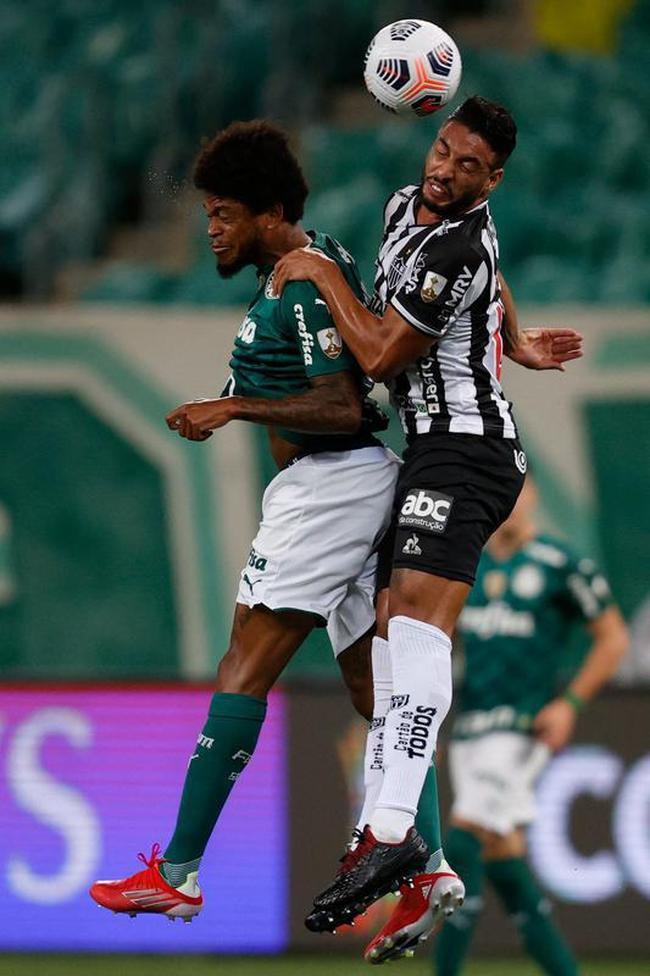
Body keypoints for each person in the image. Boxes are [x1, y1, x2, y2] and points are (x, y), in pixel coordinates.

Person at [272, 95, 584, 959]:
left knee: (414, 625)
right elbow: (493, 277)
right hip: (434, 452)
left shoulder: (458, 241)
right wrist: (511, 337)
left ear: (495, 181)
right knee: (389, 634)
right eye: (443, 150)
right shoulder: (407, 212)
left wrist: (315, 268)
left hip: (468, 452)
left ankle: (390, 832)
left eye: (468, 167)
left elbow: (378, 354)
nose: (445, 169)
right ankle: (424, 863)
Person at [89, 120, 401, 921]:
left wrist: (230, 404)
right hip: (351, 489)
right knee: (376, 692)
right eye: (208, 215)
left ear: (269, 212)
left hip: (327, 490)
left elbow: (340, 404)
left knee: (243, 664)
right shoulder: (305, 264)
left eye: (224, 213)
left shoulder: (303, 277)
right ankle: (422, 861)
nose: (212, 230)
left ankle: (180, 871)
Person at [433, 472, 628, 976]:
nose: (513, 506)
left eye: (521, 495)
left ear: (536, 497)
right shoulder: (466, 566)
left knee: (463, 842)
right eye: (504, 496)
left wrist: (569, 705)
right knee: (503, 857)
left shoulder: (563, 566)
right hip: (471, 728)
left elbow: (612, 639)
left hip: (522, 730)